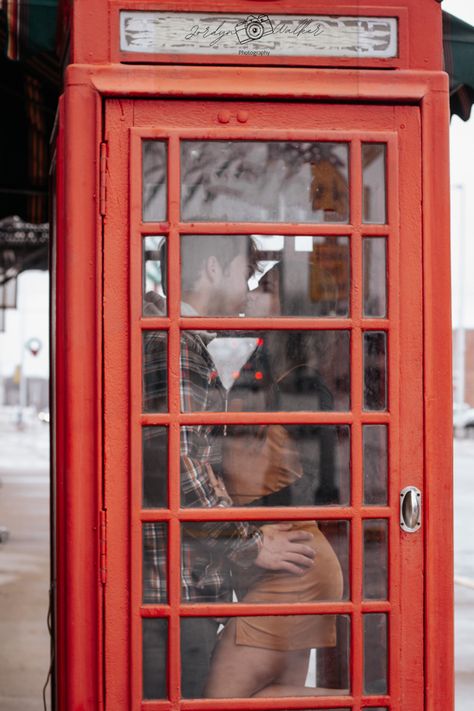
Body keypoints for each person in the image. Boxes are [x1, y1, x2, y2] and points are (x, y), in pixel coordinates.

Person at [142, 236, 316, 699]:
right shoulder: (174, 346)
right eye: (246, 271)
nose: (248, 287)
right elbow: (175, 466)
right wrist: (249, 543)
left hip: (175, 580)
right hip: (171, 586)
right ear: (214, 268)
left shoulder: (171, 339)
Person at [203, 264, 344, 698]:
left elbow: (315, 485)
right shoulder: (264, 368)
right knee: (273, 700)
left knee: (218, 701)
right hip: (282, 558)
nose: (251, 290)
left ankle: (377, 701)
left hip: (290, 563)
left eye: (265, 286)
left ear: (291, 306)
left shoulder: (300, 385)